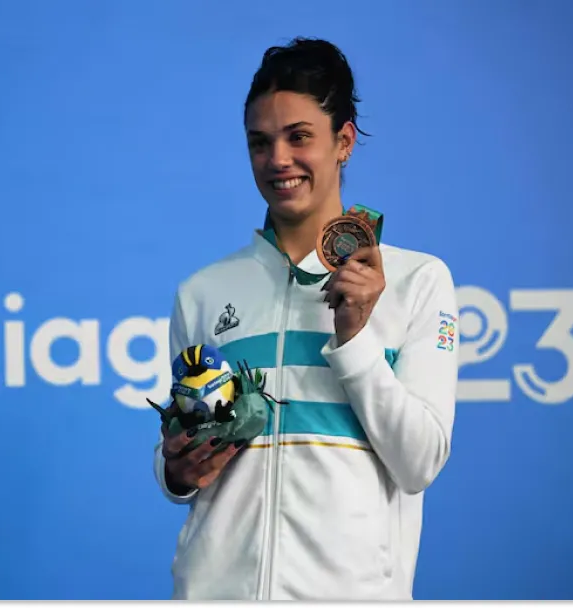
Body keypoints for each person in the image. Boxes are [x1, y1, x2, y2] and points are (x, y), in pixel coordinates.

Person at [152, 37, 459, 601]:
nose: (278, 160)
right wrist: (175, 470)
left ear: (343, 142)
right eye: (259, 143)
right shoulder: (203, 292)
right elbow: (178, 460)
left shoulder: (418, 282)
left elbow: (418, 463)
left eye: (299, 137)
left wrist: (355, 340)